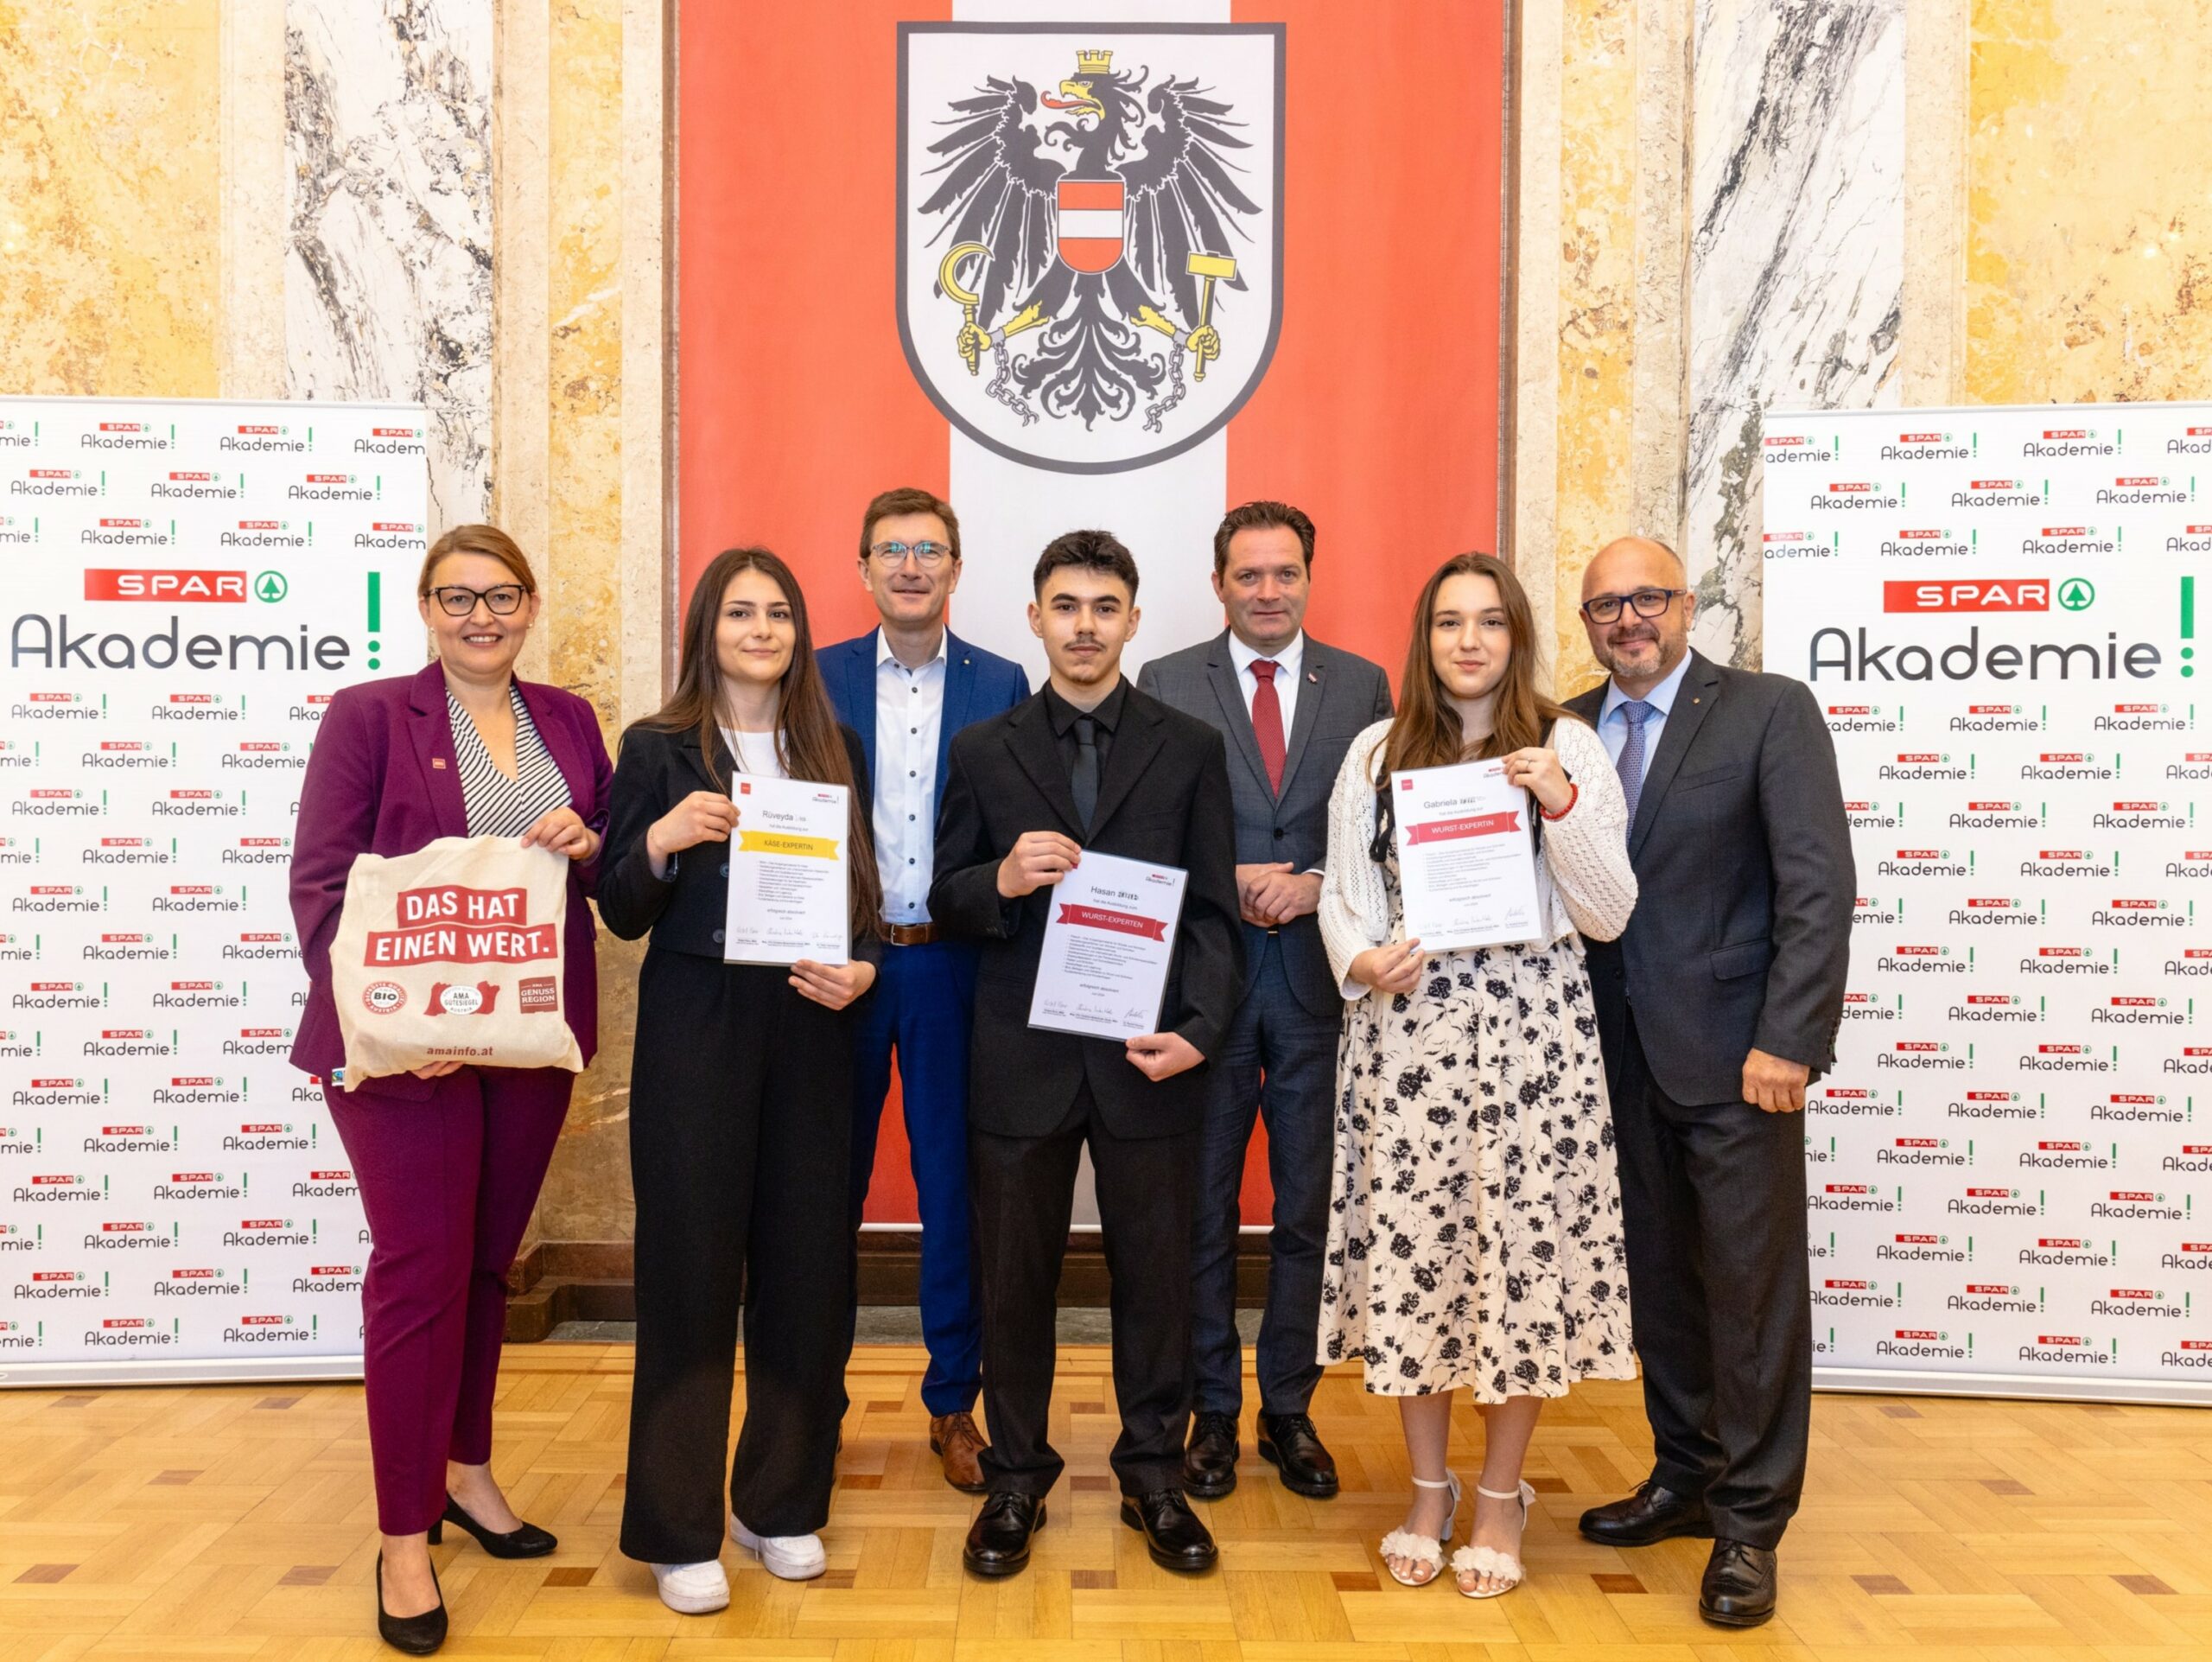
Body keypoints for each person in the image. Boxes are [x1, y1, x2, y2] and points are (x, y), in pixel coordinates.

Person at [289, 524, 612, 1656]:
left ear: (531, 606)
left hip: (522, 1036)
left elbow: (603, 865)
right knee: (418, 1275)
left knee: (484, 1264)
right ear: (426, 607)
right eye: (458, 596)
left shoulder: (568, 718)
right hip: (402, 1051)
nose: (483, 615)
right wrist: (391, 1024)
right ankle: (401, 1536)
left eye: (503, 595)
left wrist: (590, 840)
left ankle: (466, 1472)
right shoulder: (370, 716)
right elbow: (322, 885)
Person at [1317, 551, 1637, 1601]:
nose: (1468, 640)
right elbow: (1345, 896)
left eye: (1490, 621)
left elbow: (1608, 913)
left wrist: (1560, 804)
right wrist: (1361, 961)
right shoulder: (1376, 751)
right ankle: (1427, 1490)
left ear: (1517, 636)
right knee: (1420, 1259)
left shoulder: (1567, 743)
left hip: (1533, 1049)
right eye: (1449, 621)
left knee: (1517, 1264)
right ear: (1425, 638)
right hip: (1408, 1046)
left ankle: (1499, 1496)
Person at [931, 529, 1243, 1578]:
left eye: (1104, 608)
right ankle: (1016, 1476)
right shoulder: (984, 750)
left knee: (1155, 1279)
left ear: (1132, 621)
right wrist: (1000, 879)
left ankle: (1154, 1474)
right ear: (1034, 618)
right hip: (1019, 1059)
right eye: (1065, 606)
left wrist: (1198, 1031)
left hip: (1147, 1057)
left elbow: (1211, 914)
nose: (1084, 626)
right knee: (1013, 1279)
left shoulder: (1188, 747)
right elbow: (945, 896)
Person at [1565, 537, 1852, 1628]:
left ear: (1686, 604)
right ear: (1586, 624)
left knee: (1750, 1294)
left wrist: (1790, 1038)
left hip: (1739, 1060)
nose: (1627, 620)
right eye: (1605, 606)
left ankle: (1750, 1524)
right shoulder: (1563, 729)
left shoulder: (1768, 712)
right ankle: (1684, 1476)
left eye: (1646, 598)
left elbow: (1816, 885)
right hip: (1608, 1057)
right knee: (1661, 1283)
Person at [600, 548, 883, 1615]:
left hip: (811, 1023)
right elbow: (619, 905)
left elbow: (862, 895)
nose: (760, 629)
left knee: (807, 1269)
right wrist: (661, 841)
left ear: (799, 631)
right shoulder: (658, 746)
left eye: (777, 613)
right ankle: (677, 1528)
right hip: (698, 1027)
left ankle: (778, 1503)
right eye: (738, 613)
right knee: (690, 1272)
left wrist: (865, 966)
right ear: (706, 632)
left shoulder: (833, 745)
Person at [1135, 500, 1392, 1502]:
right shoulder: (1166, 683)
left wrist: (1319, 883)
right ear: (1219, 585)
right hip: (1205, 982)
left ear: (1309, 579)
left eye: (1286, 573)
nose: (1268, 591)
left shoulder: (1362, 686)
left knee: (1308, 1207)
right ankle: (1210, 1409)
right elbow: (1143, 831)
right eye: (1249, 575)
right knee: (1200, 1206)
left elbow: (1382, 831)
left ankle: (1288, 1408)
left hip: (1320, 986)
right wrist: (1227, 875)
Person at [817, 487, 1031, 1491]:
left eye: (929, 550)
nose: (910, 566)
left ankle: (954, 1402)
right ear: (862, 568)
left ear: (955, 569)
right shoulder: (813, 679)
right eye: (891, 549)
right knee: (823, 1191)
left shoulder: (1002, 682)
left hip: (953, 966)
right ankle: (813, 1401)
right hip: (840, 968)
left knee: (955, 1195)